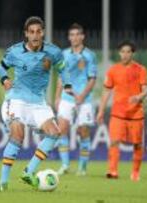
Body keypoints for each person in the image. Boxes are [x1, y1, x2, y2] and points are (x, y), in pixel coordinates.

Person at [0, 16, 71, 191]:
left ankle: (28, 171)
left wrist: (67, 85)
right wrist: (5, 79)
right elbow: (1, 67)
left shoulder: (53, 52)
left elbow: (63, 69)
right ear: (26, 34)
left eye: (38, 31)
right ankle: (3, 182)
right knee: (17, 136)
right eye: (32, 32)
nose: (35, 35)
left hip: (38, 102)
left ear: (43, 32)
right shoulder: (15, 51)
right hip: (16, 100)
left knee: (54, 132)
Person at [96, 40, 147, 181]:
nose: (125, 54)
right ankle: (112, 171)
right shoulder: (113, 70)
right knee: (114, 141)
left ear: (132, 53)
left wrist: (139, 97)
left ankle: (135, 172)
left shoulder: (140, 69)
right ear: (119, 53)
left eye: (128, 52)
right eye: (123, 52)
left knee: (137, 144)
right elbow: (106, 92)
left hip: (136, 113)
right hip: (118, 113)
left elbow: (146, 90)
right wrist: (101, 111)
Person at [55, 23, 97, 176]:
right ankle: (65, 165)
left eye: (76, 34)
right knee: (62, 129)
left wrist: (82, 95)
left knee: (83, 131)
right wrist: (57, 96)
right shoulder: (64, 54)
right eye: (71, 35)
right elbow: (61, 77)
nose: (74, 38)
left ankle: (82, 168)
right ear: (69, 37)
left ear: (82, 36)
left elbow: (92, 79)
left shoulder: (89, 55)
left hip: (84, 99)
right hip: (67, 97)